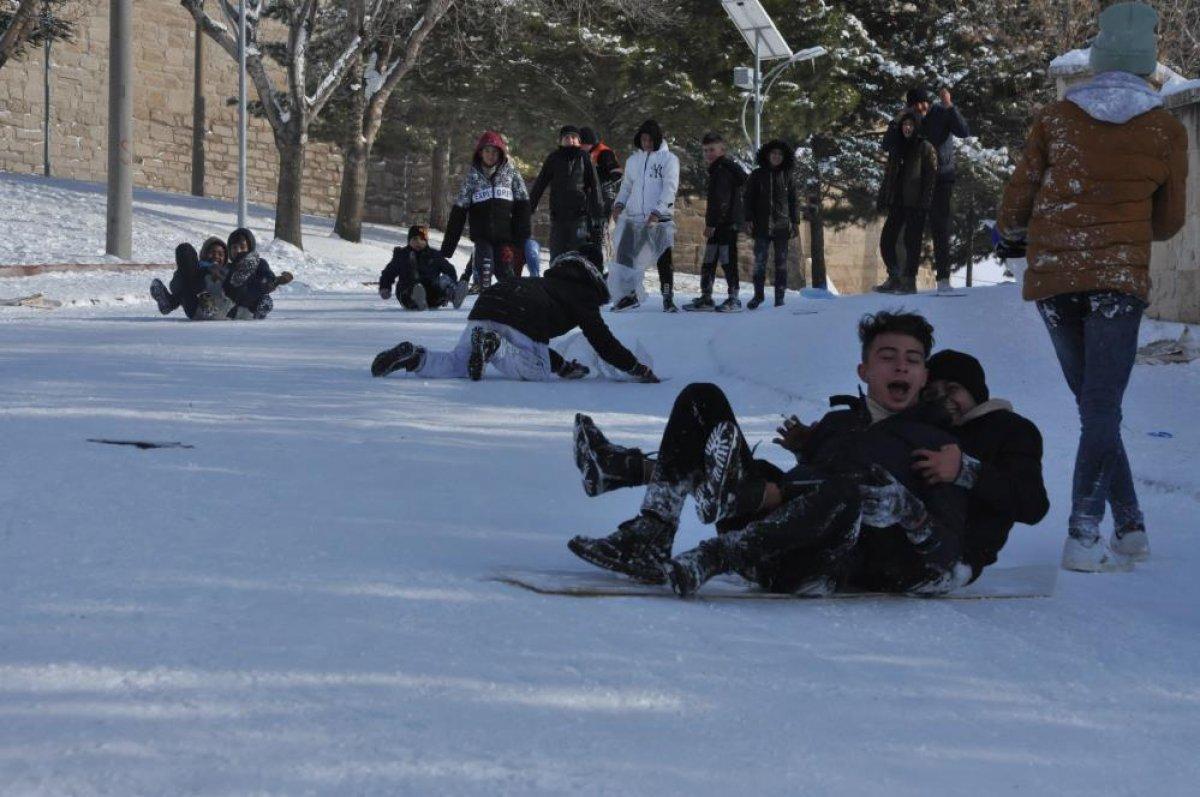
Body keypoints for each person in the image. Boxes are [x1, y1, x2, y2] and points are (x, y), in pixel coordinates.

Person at [568, 311, 969, 598]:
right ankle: (651, 534)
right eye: (888, 356)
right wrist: (796, 459)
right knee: (701, 398)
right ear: (864, 371)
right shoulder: (838, 423)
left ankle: (712, 551)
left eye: (912, 360)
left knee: (845, 493)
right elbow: (803, 487)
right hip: (767, 529)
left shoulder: (937, 445)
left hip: (820, 564)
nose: (901, 367)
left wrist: (910, 513)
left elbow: (949, 552)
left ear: (924, 376)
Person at [997, 1, 1188, 572]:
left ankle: (1129, 526)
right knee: (1100, 407)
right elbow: (1169, 222)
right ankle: (1085, 533)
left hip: (1056, 277)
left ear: (1099, 57)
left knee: (1093, 406)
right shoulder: (1166, 129)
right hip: (1117, 280)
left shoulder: (1055, 119)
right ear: (1148, 61)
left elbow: (1016, 204)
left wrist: (1017, 232)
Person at [371, 247, 659, 383]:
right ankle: (494, 345)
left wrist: (562, 366)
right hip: (521, 314)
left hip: (489, 302)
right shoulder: (582, 294)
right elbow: (601, 339)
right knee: (537, 370)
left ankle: (416, 357)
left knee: (459, 362)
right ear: (594, 275)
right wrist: (636, 367)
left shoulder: (550, 282)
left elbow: (534, 344)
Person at [920, 350, 1050, 583]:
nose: (942, 400)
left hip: (966, 550)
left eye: (952, 389)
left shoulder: (1009, 429)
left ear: (974, 391)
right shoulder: (923, 431)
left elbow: (1032, 505)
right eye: (931, 394)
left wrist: (967, 472)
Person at [882, 87, 971, 293]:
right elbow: (890, 144)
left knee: (940, 228)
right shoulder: (910, 120)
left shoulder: (942, 113)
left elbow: (963, 131)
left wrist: (950, 106)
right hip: (917, 184)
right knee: (913, 232)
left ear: (929, 102)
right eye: (915, 105)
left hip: (941, 179)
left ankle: (944, 278)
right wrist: (897, 120)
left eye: (923, 103)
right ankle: (907, 279)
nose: (920, 108)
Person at [441, 130, 531, 291]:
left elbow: (523, 207)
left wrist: (520, 240)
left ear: (501, 153)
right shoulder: (472, 178)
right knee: (485, 271)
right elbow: (458, 213)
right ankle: (480, 291)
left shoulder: (511, 174)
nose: (491, 155)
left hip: (505, 239)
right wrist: (448, 248)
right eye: (487, 151)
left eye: (495, 152)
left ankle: (510, 302)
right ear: (480, 153)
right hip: (482, 238)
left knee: (508, 278)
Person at [609, 119, 681, 312]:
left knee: (663, 260)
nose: (646, 143)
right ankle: (628, 296)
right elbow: (626, 186)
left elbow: (670, 189)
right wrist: (619, 204)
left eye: (650, 140)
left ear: (657, 140)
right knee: (625, 256)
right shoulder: (633, 161)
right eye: (643, 140)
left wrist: (657, 212)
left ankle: (668, 298)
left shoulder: (669, 160)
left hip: (659, 219)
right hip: (634, 217)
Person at [875, 112, 937, 295]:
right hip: (897, 201)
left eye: (910, 125)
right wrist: (883, 197)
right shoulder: (897, 147)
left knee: (912, 243)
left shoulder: (925, 147)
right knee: (887, 240)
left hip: (916, 204)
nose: (907, 128)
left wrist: (925, 203)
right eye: (904, 125)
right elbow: (889, 175)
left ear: (916, 127)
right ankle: (894, 276)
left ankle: (909, 280)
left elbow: (931, 178)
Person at [683, 132, 745, 313]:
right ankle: (706, 297)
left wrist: (712, 224)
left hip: (726, 224)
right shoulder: (717, 170)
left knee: (727, 260)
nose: (708, 153)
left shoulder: (723, 170)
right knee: (709, 259)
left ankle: (734, 298)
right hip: (721, 223)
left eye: (712, 150)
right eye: (705, 150)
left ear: (722, 150)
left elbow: (721, 201)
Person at [528, 125, 605, 260]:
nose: (570, 140)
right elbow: (540, 183)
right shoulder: (553, 158)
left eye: (574, 137)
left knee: (578, 255)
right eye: (567, 137)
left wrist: (598, 212)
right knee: (557, 253)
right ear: (561, 140)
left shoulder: (585, 158)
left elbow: (595, 186)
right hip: (558, 216)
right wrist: (529, 207)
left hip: (579, 215)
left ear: (579, 141)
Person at [743, 139, 799, 309]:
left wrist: (795, 222)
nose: (776, 156)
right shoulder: (757, 175)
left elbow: (794, 201)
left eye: (780, 154)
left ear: (784, 157)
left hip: (782, 225)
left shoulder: (788, 176)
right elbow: (748, 198)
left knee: (781, 263)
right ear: (767, 155)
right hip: (761, 225)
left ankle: (779, 298)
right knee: (760, 262)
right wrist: (748, 219)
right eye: (773, 153)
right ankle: (758, 296)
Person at [378, 225, 467, 311]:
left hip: (432, 294)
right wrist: (385, 287)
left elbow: (449, 269)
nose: (418, 242)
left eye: (422, 239)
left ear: (426, 241)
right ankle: (418, 301)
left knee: (444, 280)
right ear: (409, 240)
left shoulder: (434, 255)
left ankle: (454, 295)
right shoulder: (402, 256)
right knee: (414, 288)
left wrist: (452, 283)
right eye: (415, 239)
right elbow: (388, 273)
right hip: (408, 293)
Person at [150, 237, 231, 321]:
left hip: (221, 309)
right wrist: (206, 269)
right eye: (212, 252)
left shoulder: (228, 270)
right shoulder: (194, 270)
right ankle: (169, 303)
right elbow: (175, 286)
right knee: (185, 250)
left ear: (225, 258)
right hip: (196, 307)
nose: (216, 256)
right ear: (204, 254)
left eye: (220, 254)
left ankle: (171, 303)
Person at [223, 228, 293, 320]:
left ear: (250, 248)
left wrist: (278, 280)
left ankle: (256, 313)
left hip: (254, 302)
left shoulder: (260, 263)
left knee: (264, 296)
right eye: (235, 247)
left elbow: (268, 276)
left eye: (242, 247)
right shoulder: (228, 267)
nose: (238, 251)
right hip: (234, 303)